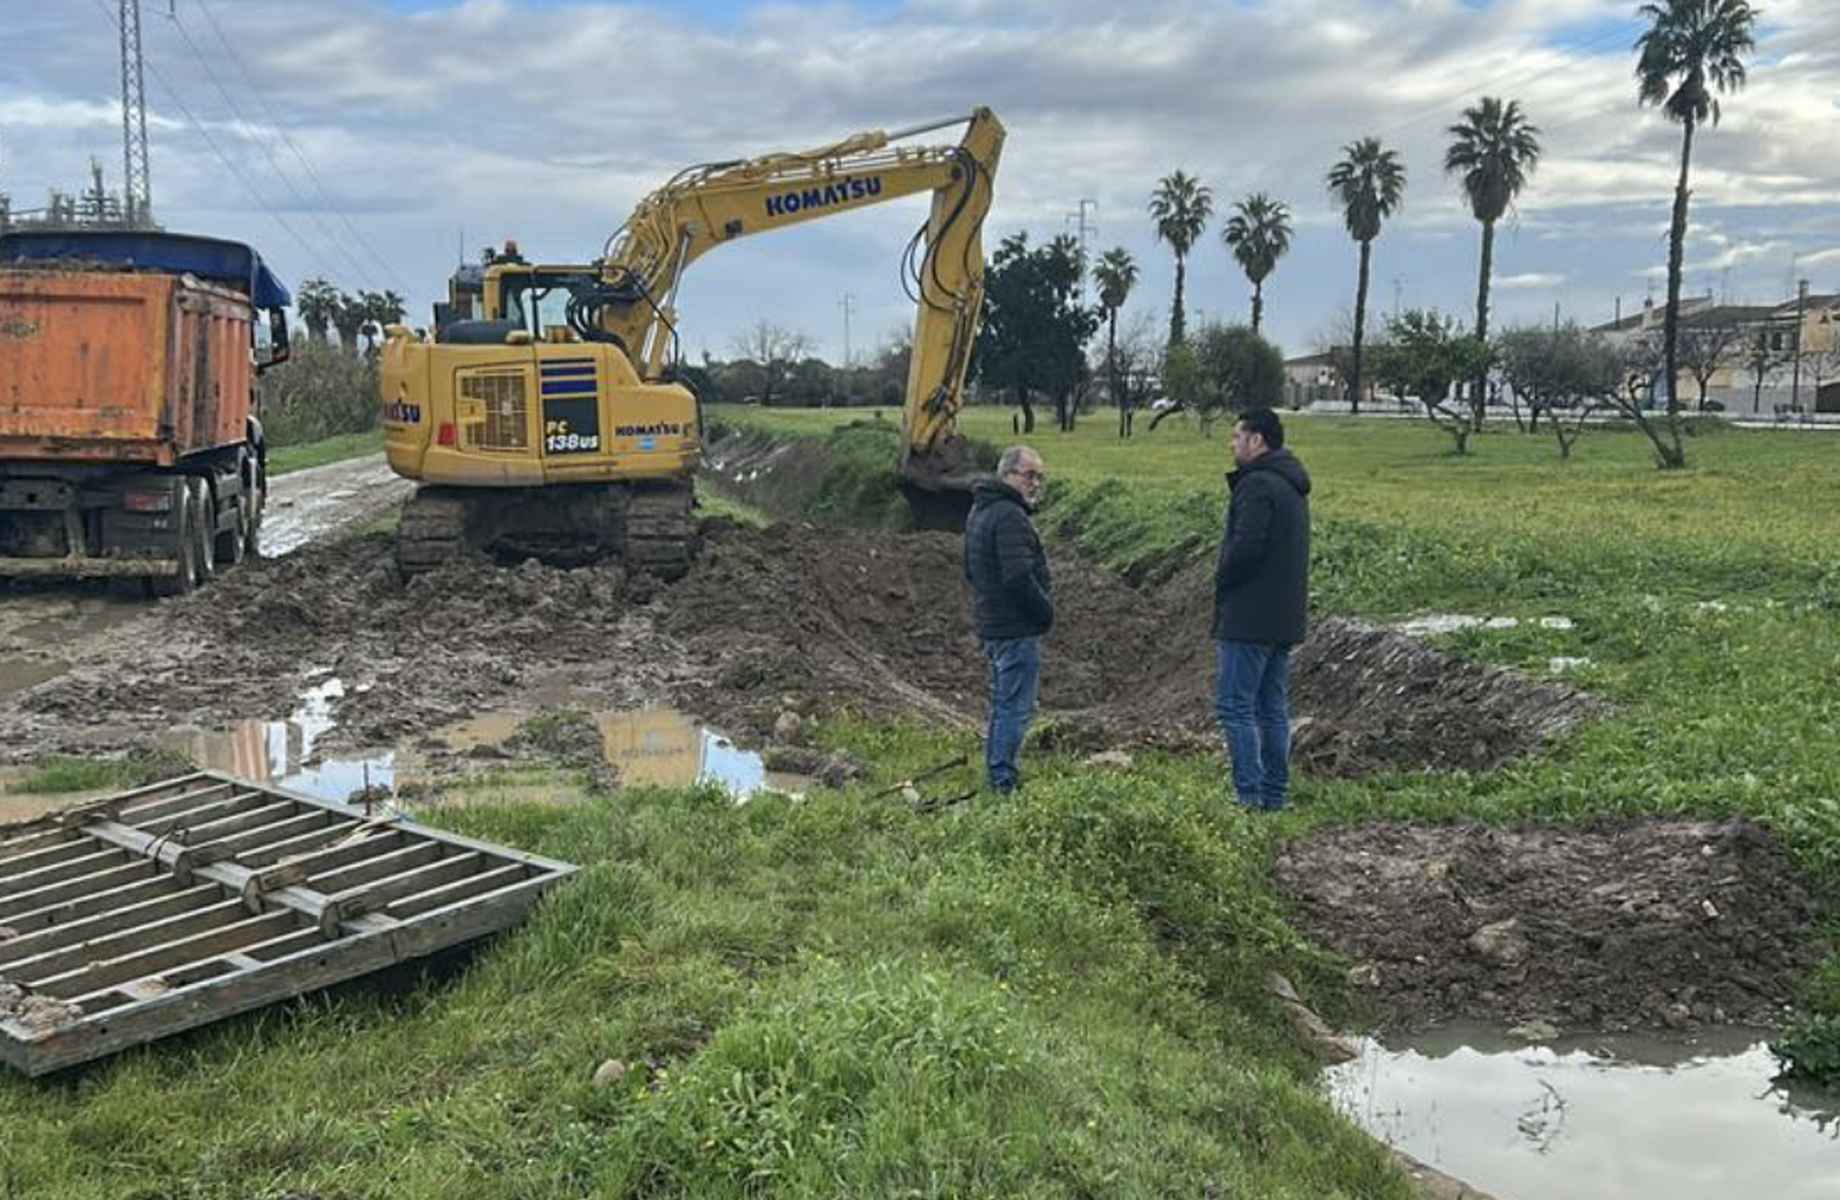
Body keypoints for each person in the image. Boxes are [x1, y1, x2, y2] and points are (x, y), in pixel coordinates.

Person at [1212, 407, 1311, 810]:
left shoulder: (1256, 486)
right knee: (1271, 707)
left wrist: (1222, 577)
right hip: (1283, 616)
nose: (1232, 443)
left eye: (1238, 436)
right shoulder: (1292, 485)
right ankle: (1274, 795)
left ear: (1257, 441)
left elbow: (1246, 547)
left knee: (1235, 706)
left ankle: (1248, 795)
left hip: (1249, 616)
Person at [964, 445, 1052, 795]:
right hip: (1014, 627)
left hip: (993, 624)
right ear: (1008, 475)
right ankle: (1003, 782)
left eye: (1040, 477)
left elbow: (970, 570)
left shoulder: (980, 511)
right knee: (1015, 708)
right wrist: (1043, 612)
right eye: (1030, 475)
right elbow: (1017, 577)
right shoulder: (1009, 516)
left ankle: (999, 772)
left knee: (1005, 703)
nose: (1035, 484)